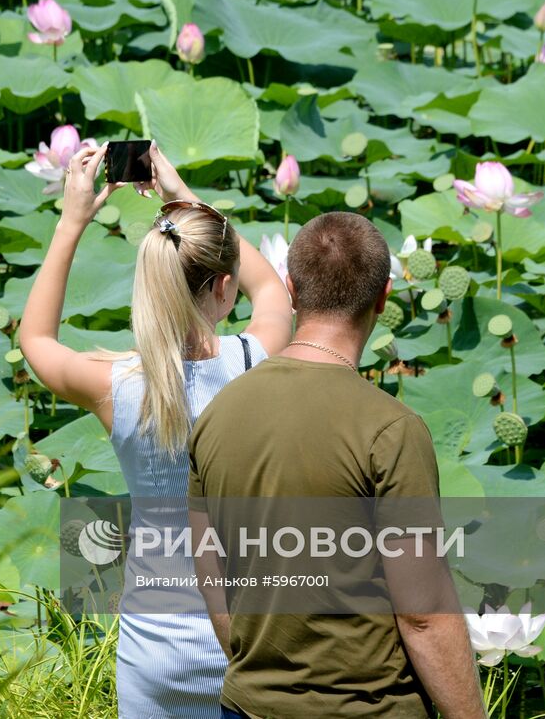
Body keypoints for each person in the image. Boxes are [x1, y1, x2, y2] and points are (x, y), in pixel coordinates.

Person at [19, 142, 293, 718]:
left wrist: (72, 220)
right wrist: (184, 199)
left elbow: (35, 339)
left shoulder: (114, 385)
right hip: (244, 645)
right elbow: (272, 291)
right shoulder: (253, 361)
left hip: (154, 650)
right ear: (223, 288)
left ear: (147, 282)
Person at [188, 211, 485, 719]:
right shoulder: (391, 429)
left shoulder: (218, 413)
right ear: (384, 297)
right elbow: (422, 615)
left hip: (246, 706)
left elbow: (210, 572)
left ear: (291, 289)